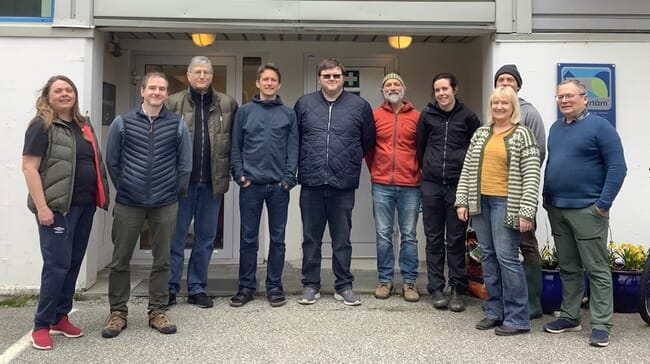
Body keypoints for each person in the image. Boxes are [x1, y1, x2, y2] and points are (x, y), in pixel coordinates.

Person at [22, 75, 110, 350]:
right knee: (56, 266)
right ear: (48, 96)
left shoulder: (84, 125)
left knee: (72, 263)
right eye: (57, 90)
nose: (64, 94)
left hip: (84, 206)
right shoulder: (42, 125)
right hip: (57, 209)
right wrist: (43, 207)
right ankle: (41, 324)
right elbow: (29, 167)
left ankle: (61, 316)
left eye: (68, 89)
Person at [102, 72, 192, 338]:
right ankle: (117, 312)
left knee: (162, 260)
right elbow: (113, 162)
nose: (157, 92)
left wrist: (171, 191)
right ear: (142, 91)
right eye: (152, 87)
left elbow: (184, 165)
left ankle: (157, 311)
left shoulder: (177, 124)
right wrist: (127, 187)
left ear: (166, 94)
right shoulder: (122, 123)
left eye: (162, 89)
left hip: (165, 203)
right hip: (129, 202)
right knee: (120, 260)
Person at [542, 78, 627, 347]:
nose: (564, 100)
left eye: (570, 96)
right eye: (560, 97)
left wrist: (603, 204)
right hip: (558, 208)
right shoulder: (555, 128)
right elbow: (553, 164)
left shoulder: (601, 127)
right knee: (568, 267)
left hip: (588, 210)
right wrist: (547, 197)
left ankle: (601, 324)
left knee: (597, 269)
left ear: (585, 97)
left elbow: (617, 167)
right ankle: (570, 316)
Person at [456, 86, 540, 336]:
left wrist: (526, 211)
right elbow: (468, 168)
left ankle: (517, 317)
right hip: (481, 202)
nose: (499, 107)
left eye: (504, 103)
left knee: (508, 259)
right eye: (495, 103)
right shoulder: (482, 133)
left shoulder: (523, 134)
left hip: (507, 204)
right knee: (488, 258)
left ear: (513, 106)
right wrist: (462, 200)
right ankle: (495, 310)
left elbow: (532, 176)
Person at [294, 58, 376, 306]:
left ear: (343, 78)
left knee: (342, 238)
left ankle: (344, 285)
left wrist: (348, 160)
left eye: (336, 76)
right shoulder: (304, 104)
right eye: (327, 76)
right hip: (312, 181)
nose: (332, 80)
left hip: (343, 183)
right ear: (319, 78)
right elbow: (295, 139)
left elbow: (368, 141)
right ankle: (310, 284)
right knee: (311, 237)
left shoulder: (359, 106)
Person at [166, 56, 238, 309]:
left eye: (206, 72)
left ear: (211, 75)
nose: (201, 76)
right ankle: (170, 288)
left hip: (211, 183)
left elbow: (234, 142)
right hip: (180, 184)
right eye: (196, 72)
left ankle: (197, 288)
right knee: (175, 238)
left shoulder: (227, 104)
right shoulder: (172, 102)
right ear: (188, 75)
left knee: (205, 239)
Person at [229, 63, 298, 308]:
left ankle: (274, 287)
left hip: (279, 187)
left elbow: (293, 149)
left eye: (273, 80)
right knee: (248, 239)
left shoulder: (288, 114)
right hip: (251, 186)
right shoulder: (244, 112)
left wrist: (289, 179)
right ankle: (246, 287)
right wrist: (240, 176)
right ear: (257, 83)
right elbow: (235, 147)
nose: (269, 83)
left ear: (279, 85)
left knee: (278, 240)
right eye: (264, 79)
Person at [415, 72, 481, 312]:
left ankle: (457, 289)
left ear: (455, 89)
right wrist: (429, 169)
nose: (441, 93)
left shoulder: (468, 117)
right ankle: (436, 288)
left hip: (457, 185)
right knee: (433, 238)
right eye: (437, 90)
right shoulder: (427, 115)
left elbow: (477, 149)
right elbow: (420, 147)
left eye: (445, 89)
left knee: (454, 239)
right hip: (431, 184)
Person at [494, 64, 547, 319]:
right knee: (502, 251)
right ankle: (509, 300)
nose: (505, 82)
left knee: (526, 246)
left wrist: (526, 197)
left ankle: (533, 302)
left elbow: (537, 157)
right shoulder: (494, 113)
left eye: (509, 79)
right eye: (501, 79)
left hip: (519, 197)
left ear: (518, 84)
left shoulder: (530, 114)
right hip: (495, 197)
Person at [366, 73, 422, 302]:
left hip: (410, 184)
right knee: (383, 235)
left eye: (396, 83)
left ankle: (409, 282)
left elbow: (422, 147)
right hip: (381, 185)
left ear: (403, 89)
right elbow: (368, 148)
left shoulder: (417, 117)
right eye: (388, 84)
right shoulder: (375, 116)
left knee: (409, 235)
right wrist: (376, 171)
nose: (392, 87)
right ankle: (385, 280)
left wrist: (417, 171)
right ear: (382, 90)